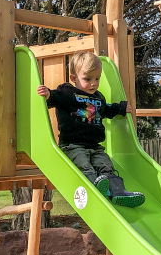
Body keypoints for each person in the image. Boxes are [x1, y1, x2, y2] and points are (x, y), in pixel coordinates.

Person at [37, 52, 145, 208]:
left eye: (97, 79)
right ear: (74, 78)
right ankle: (94, 187)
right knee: (84, 166)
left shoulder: (98, 97)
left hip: (95, 146)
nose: (93, 83)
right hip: (73, 145)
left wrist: (120, 108)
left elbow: (105, 110)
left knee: (106, 166)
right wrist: (48, 94)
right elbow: (55, 98)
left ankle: (118, 192)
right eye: (88, 79)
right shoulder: (68, 92)